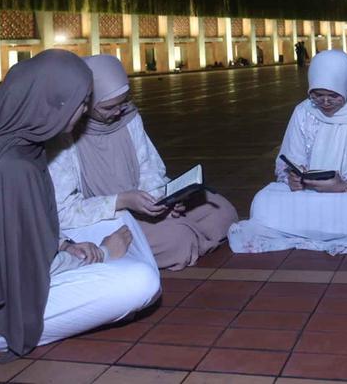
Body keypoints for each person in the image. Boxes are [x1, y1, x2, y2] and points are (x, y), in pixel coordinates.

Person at [0, 49, 160, 365]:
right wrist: (102, 254)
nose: (84, 110)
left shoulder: (8, 146)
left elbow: (14, 236)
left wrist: (64, 245)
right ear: (52, 104)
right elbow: (27, 264)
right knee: (140, 282)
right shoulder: (13, 168)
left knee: (117, 221)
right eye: (80, 101)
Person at [48, 55, 237, 271]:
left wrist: (161, 202)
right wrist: (122, 201)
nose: (118, 111)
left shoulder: (128, 118)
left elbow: (150, 169)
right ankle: (181, 239)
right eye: (109, 107)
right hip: (106, 219)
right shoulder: (64, 136)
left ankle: (183, 239)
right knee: (178, 239)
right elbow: (65, 211)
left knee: (222, 210)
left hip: (142, 206)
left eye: (123, 102)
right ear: (85, 103)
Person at [228, 49, 347, 254]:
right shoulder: (304, 111)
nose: (325, 102)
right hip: (310, 191)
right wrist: (292, 178)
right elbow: (288, 160)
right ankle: (329, 230)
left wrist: (344, 184)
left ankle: (305, 228)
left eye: (333, 95)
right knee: (263, 200)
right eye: (318, 95)